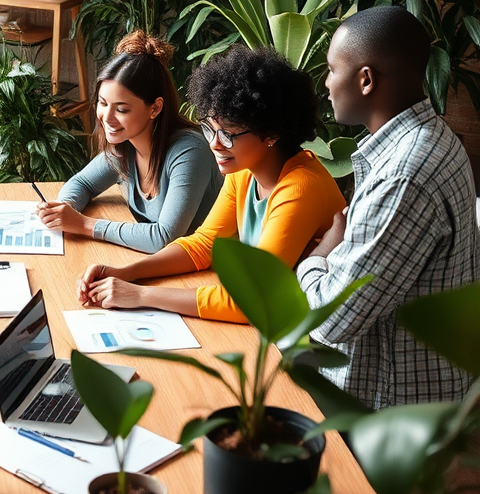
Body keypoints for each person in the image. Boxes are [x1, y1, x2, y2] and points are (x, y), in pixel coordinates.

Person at [78, 46, 346, 322]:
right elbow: (203, 245)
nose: (214, 144)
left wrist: (139, 295)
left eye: (228, 135)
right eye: (209, 129)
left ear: (271, 134)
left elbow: (253, 298)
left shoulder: (301, 187)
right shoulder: (244, 172)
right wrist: (124, 272)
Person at [299, 6, 480, 409]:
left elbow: (333, 320)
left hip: (385, 410)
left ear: (365, 80)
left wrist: (320, 255)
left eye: (331, 69)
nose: (326, 84)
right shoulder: (435, 138)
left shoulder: (404, 177)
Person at [37, 32, 221, 252]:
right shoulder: (125, 146)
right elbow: (82, 184)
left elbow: (164, 237)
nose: (107, 117)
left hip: (207, 271)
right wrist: (64, 208)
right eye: (103, 103)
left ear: (155, 108)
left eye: (122, 109)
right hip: (161, 265)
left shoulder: (189, 152)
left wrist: (82, 224)